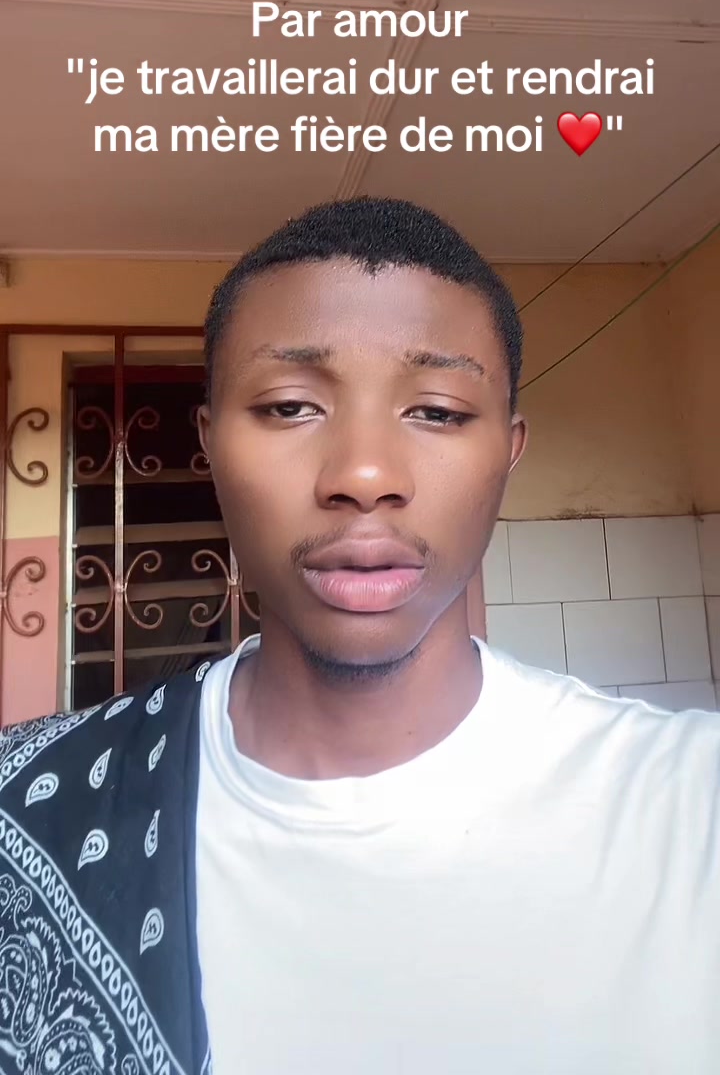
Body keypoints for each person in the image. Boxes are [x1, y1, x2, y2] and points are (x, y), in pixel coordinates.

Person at [0, 196, 717, 1075]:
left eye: (439, 411)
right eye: (290, 406)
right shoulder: (24, 809)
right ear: (210, 445)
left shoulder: (690, 808)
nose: (365, 475)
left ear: (508, 452)